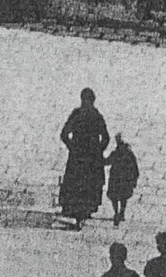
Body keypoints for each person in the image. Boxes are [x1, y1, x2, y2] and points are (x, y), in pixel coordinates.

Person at [58, 88, 110, 228]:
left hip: (78, 156)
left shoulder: (77, 114)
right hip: (91, 158)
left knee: (76, 182)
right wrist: (98, 151)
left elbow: (64, 134)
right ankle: (84, 210)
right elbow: (106, 138)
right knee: (89, 184)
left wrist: (72, 147)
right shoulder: (97, 116)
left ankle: (75, 210)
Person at [106, 134, 140, 225]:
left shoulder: (116, 153)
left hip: (115, 179)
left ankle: (117, 212)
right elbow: (135, 169)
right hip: (124, 180)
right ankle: (121, 213)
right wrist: (134, 180)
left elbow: (107, 161)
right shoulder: (129, 154)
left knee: (115, 198)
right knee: (123, 198)